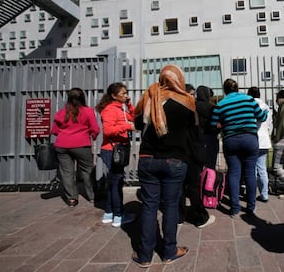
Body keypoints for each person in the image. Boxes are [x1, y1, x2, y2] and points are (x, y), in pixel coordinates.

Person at [132, 64, 192, 268]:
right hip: (175, 160)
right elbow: (193, 131)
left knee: (149, 206)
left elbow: (138, 124)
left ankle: (144, 255)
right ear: (179, 79)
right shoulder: (188, 101)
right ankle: (169, 251)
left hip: (148, 158)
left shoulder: (149, 96)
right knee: (170, 206)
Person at [210, 79, 268, 218]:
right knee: (249, 173)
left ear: (225, 90)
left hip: (231, 140)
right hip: (250, 139)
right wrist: (265, 113)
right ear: (238, 88)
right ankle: (251, 207)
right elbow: (261, 116)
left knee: (234, 173)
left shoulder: (221, 104)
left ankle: (235, 209)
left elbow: (213, 124)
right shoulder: (249, 99)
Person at [96, 82, 136, 227]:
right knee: (117, 183)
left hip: (119, 150)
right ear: (114, 95)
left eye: (126, 93)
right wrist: (127, 127)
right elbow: (108, 130)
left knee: (113, 183)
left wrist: (130, 105)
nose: (126, 96)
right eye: (123, 94)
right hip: (112, 151)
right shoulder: (109, 110)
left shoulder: (120, 108)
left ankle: (108, 213)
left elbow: (134, 117)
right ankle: (118, 216)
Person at [52, 88, 100, 207]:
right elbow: (95, 129)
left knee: (67, 173)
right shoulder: (88, 111)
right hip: (81, 144)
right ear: (83, 98)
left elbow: (54, 131)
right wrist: (92, 136)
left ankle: (72, 199)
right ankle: (92, 196)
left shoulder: (61, 112)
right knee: (87, 170)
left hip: (62, 145)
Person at [179, 85, 216, 228]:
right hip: (193, 151)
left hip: (181, 152)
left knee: (181, 186)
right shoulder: (192, 110)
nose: (193, 97)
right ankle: (201, 217)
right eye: (191, 94)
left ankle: (179, 216)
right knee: (193, 186)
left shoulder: (179, 108)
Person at [247, 86, 273, 203]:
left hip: (252, 140)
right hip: (264, 140)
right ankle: (264, 195)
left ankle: (251, 194)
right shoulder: (267, 108)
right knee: (262, 169)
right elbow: (270, 126)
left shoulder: (249, 107)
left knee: (251, 170)